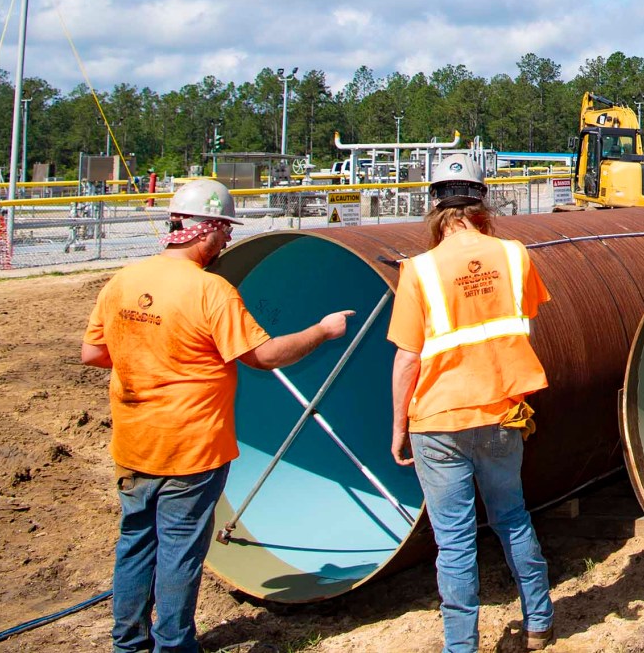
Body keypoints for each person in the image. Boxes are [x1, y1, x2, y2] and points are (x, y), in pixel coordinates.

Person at [82, 178, 352, 653]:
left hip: (134, 443)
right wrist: (323, 330)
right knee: (180, 553)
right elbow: (264, 356)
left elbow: (93, 353)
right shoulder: (211, 292)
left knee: (135, 544)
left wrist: (150, 357)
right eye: (224, 229)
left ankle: (128, 643)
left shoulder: (124, 280)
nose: (227, 239)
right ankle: (175, 645)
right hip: (192, 448)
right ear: (203, 229)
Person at [389, 151, 555, 652]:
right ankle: (540, 623)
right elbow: (519, 323)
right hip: (502, 411)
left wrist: (399, 426)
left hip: (438, 421)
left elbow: (407, 361)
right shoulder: (514, 255)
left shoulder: (417, 270)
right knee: (512, 517)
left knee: (455, 540)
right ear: (482, 202)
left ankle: (461, 645)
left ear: (434, 205)